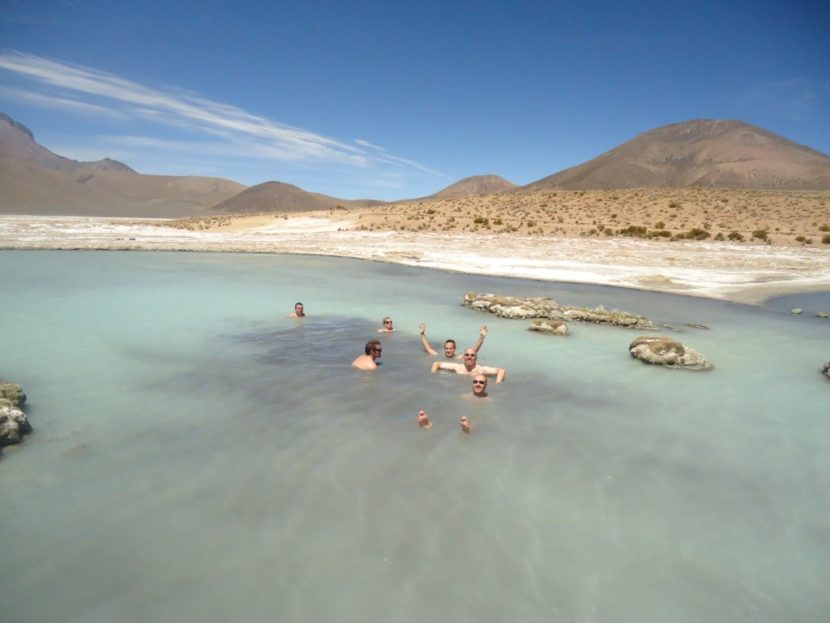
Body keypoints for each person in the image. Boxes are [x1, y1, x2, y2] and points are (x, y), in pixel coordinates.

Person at [431, 349, 506, 382]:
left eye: (472, 355)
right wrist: (433, 375)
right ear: (463, 358)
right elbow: (436, 364)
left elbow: (501, 371)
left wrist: (497, 383)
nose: (469, 357)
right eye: (467, 355)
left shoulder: (481, 370)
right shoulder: (458, 367)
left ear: (476, 358)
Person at [419, 323, 487, 358]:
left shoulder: (458, 358)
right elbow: (429, 349)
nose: (448, 350)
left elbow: (474, 351)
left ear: (454, 349)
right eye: (446, 348)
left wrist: (482, 337)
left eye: (450, 348)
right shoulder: (439, 356)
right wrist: (422, 334)